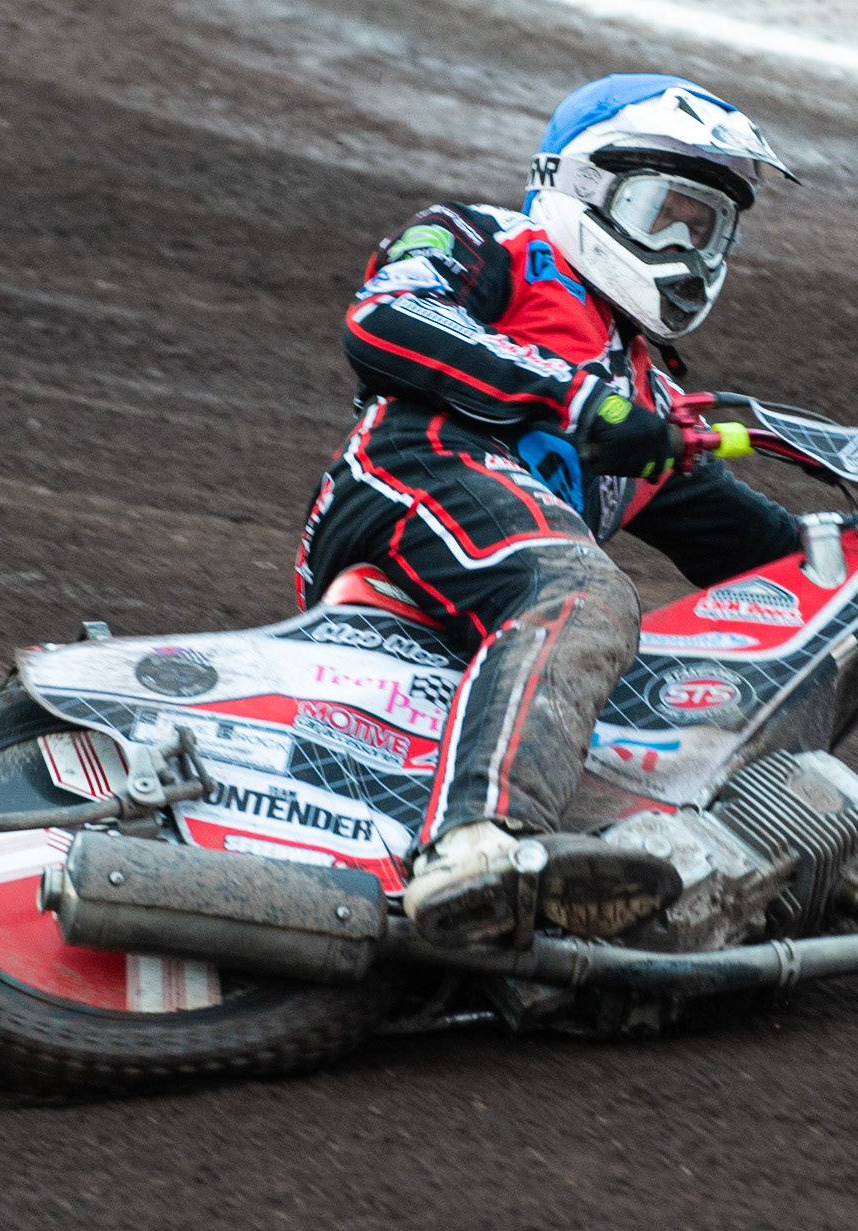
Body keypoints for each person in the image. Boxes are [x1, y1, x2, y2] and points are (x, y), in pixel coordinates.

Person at [295, 74, 803, 948]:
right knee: (586, 593)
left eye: (705, 225)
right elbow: (386, 320)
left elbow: (768, 558)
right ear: (585, 186)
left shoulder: (645, 393)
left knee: (755, 628)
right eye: (664, 212)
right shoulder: (488, 238)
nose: (684, 244)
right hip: (407, 473)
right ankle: (475, 844)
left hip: (500, 571)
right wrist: (579, 403)